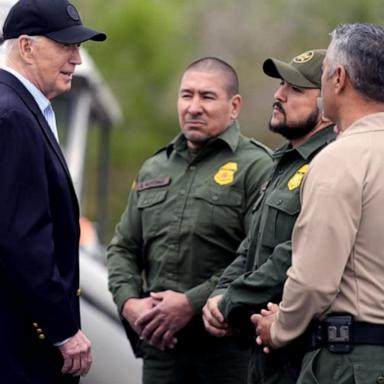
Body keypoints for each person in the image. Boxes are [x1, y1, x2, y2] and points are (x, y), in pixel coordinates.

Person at [106, 57, 273, 384]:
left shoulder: (258, 167)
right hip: (162, 350)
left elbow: (260, 256)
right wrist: (130, 303)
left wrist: (191, 303)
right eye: (186, 95)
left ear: (234, 105)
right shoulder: (154, 168)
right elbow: (123, 248)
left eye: (207, 97)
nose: (194, 107)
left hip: (227, 350)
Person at [253, 23, 384, 384]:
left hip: (353, 362)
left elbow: (313, 282)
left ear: (339, 78)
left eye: (323, 74)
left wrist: (278, 328)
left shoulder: (341, 158)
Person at [202, 49, 336, 384]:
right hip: (261, 352)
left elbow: (293, 254)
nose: (278, 95)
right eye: (280, 84)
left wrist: (231, 301)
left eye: (295, 89)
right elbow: (251, 246)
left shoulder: (330, 163)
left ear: (327, 105)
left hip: (301, 354)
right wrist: (220, 293)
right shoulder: (284, 161)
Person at [0, 0, 106, 383]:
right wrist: (61, 329)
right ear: (26, 46)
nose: (76, 58)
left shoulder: (19, 107)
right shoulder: (12, 114)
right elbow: (22, 237)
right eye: (66, 45)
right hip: (20, 343)